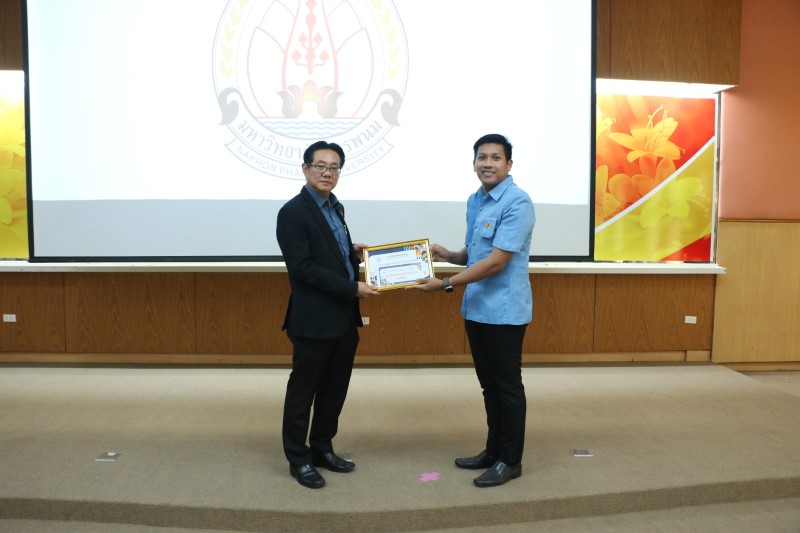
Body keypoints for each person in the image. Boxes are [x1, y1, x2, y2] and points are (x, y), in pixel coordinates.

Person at [410, 133, 535, 487]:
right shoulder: (475, 200)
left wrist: (445, 284)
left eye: (496, 157)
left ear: (509, 164)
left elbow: (496, 262)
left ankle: (510, 460)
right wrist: (449, 255)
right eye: (482, 157)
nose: (488, 163)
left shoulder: (518, 202)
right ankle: (493, 451)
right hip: (477, 308)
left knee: (507, 386)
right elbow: (475, 252)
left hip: (504, 311)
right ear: (474, 162)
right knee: (489, 386)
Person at [276, 140, 380, 489]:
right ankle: (298, 458)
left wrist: (352, 253)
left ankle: (322, 448)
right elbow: (303, 268)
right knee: (304, 391)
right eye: (320, 166)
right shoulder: (292, 212)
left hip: (344, 317)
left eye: (334, 167)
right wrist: (353, 288)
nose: (327, 172)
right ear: (305, 169)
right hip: (313, 318)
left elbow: (329, 253)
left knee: (335, 388)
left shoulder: (336, 207)